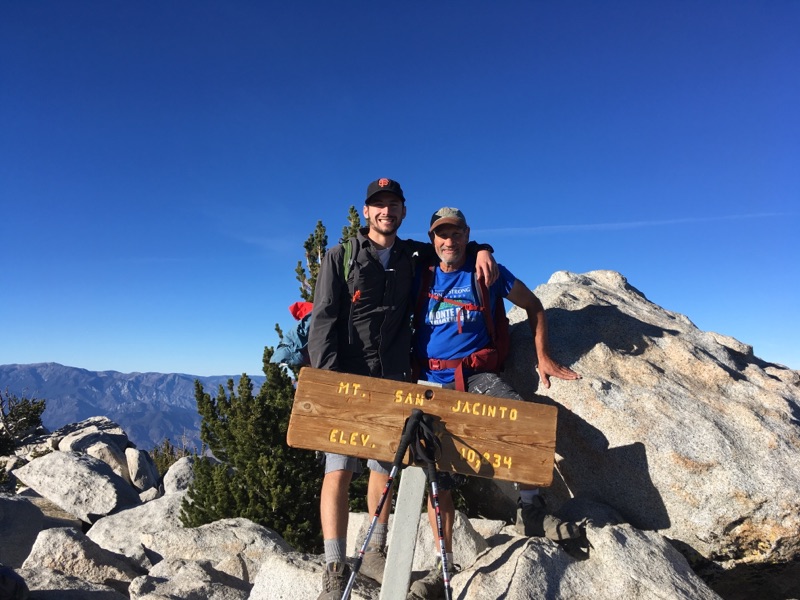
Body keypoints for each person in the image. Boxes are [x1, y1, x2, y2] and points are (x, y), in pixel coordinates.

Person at [307, 180, 498, 600]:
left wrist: (483, 248)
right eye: (378, 205)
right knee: (337, 468)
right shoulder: (339, 257)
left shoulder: (414, 254)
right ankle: (335, 567)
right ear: (366, 211)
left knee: (382, 468)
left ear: (403, 212)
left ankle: (373, 550)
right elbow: (322, 322)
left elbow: (452, 245)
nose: (385, 212)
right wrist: (328, 382)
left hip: (392, 379)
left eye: (392, 205)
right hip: (347, 378)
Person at [408, 207, 583, 600]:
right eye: (441, 234)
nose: (448, 241)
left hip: (475, 376)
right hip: (431, 383)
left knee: (521, 421)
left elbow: (534, 305)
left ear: (467, 235)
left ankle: (530, 511)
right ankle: (444, 566)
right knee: (436, 476)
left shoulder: (486, 271)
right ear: (433, 238)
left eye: (455, 233)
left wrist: (543, 356)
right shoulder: (420, 273)